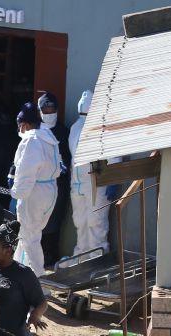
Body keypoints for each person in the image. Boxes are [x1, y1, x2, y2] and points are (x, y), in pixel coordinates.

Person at [10, 102, 63, 277]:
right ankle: (18, 270)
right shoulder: (48, 136)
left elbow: (26, 171)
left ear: (24, 124)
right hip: (50, 190)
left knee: (29, 237)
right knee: (30, 234)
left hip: (34, 193)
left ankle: (39, 280)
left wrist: (16, 192)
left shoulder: (31, 141)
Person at [70, 90, 115, 255]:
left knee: (96, 223)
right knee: (80, 221)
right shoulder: (76, 127)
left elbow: (114, 155)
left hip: (97, 183)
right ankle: (81, 256)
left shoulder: (103, 128)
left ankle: (98, 257)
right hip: (77, 184)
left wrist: (112, 180)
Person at [37, 91, 73, 267]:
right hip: (38, 186)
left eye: (52, 109)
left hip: (58, 185)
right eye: (46, 109)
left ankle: (51, 256)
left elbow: (68, 157)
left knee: (54, 221)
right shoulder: (35, 132)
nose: (49, 113)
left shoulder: (63, 132)